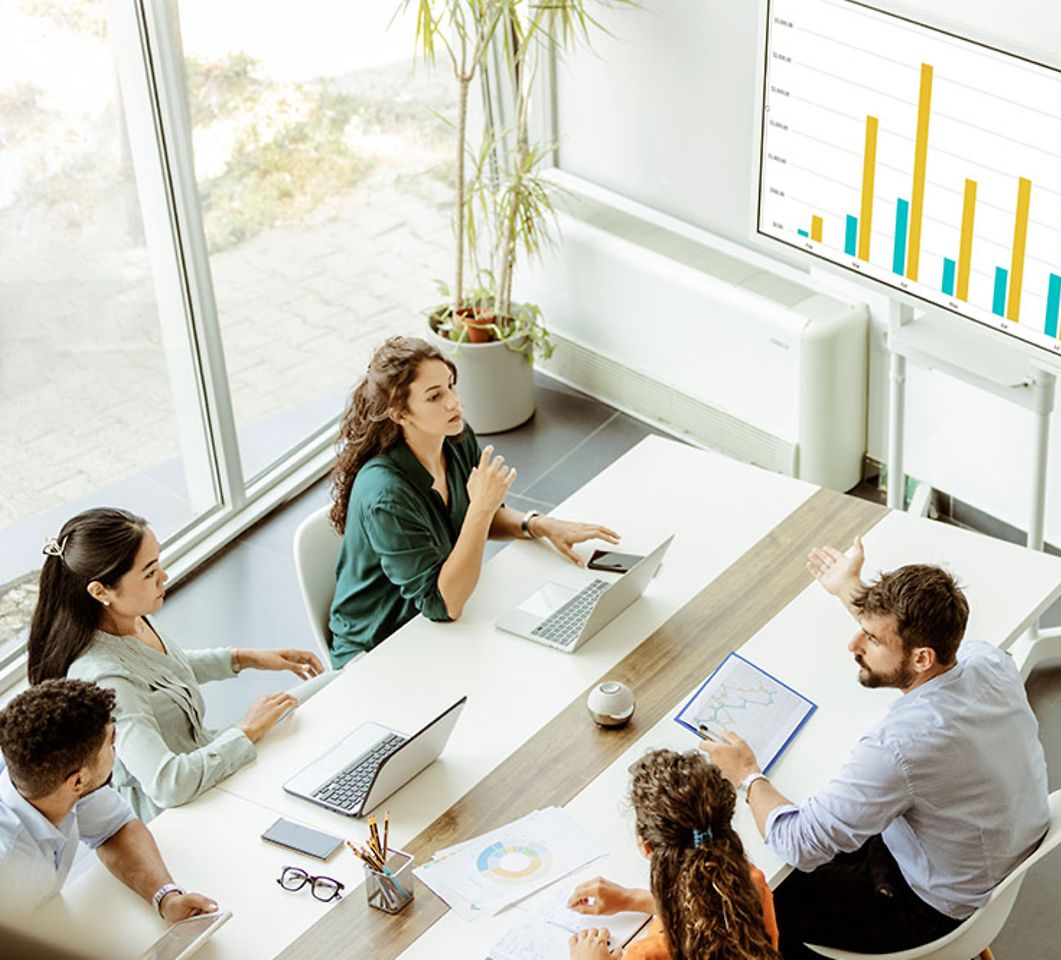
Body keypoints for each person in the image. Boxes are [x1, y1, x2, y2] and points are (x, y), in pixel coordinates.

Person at [700, 537, 1050, 959]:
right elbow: (910, 646)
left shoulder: (899, 747)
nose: (853, 645)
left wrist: (746, 773)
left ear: (922, 658)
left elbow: (798, 843)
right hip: (978, 860)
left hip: (925, 907)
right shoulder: (988, 662)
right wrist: (850, 590)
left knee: (748, 897)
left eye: (870, 639)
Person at [327, 336, 620, 667]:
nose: (453, 403)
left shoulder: (455, 439)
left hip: (436, 625)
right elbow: (444, 604)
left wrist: (537, 525)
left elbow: (474, 516)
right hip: (379, 646)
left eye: (451, 386)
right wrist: (482, 507)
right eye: (435, 396)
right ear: (400, 414)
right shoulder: (387, 495)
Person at [28, 508, 324, 820]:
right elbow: (168, 784)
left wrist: (246, 658)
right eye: (149, 572)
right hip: (188, 805)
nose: (164, 577)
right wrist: (248, 729)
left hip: (212, 754)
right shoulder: (107, 678)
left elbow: (165, 671)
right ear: (100, 591)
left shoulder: (130, 617)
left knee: (331, 684)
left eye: (158, 563)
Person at [0, 678, 218, 919]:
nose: (117, 747)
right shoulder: (8, 865)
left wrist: (166, 897)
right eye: (112, 741)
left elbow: (115, 828)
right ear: (77, 781)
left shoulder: (52, 784)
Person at [564, 748, 780, 960]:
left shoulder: (648, 954)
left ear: (646, 846)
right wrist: (631, 899)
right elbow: (706, 907)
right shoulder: (750, 884)